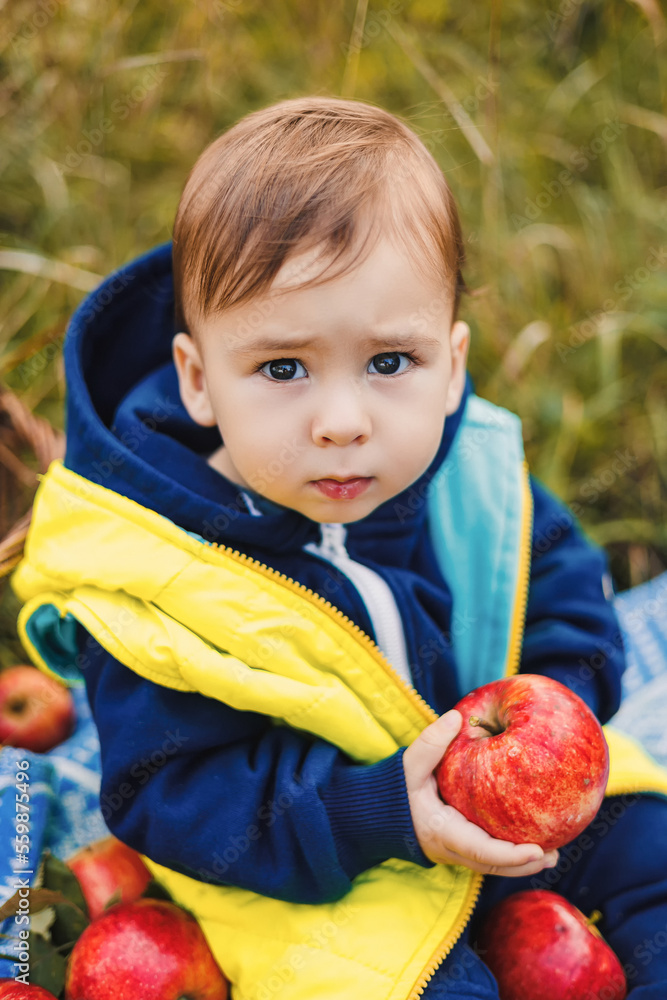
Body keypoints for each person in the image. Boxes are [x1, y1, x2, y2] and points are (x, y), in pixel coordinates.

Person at [12, 96, 667, 998]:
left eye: (390, 363)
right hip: (314, 863)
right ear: (199, 381)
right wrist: (384, 812)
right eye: (282, 369)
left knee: (654, 854)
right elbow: (171, 792)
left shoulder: (468, 477)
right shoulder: (157, 577)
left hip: (510, 796)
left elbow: (562, 592)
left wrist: (561, 723)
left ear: (452, 363)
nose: (342, 422)